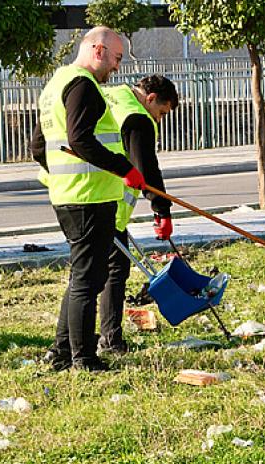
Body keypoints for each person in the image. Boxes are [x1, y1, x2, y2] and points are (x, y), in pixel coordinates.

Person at [30, 26, 147, 372]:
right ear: (98, 50)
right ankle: (83, 358)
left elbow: (39, 146)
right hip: (88, 197)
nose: (117, 67)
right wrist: (124, 168)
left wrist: (60, 174)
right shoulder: (83, 85)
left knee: (82, 276)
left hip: (71, 195)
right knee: (89, 279)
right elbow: (80, 140)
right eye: (116, 58)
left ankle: (63, 351)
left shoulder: (56, 84)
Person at [96, 75, 179, 354]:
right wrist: (162, 211)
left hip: (84, 195)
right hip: (109, 202)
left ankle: (70, 342)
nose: (159, 120)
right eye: (161, 113)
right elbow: (146, 170)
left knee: (87, 272)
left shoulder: (115, 94)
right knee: (114, 270)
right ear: (151, 99)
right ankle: (109, 339)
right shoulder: (138, 117)